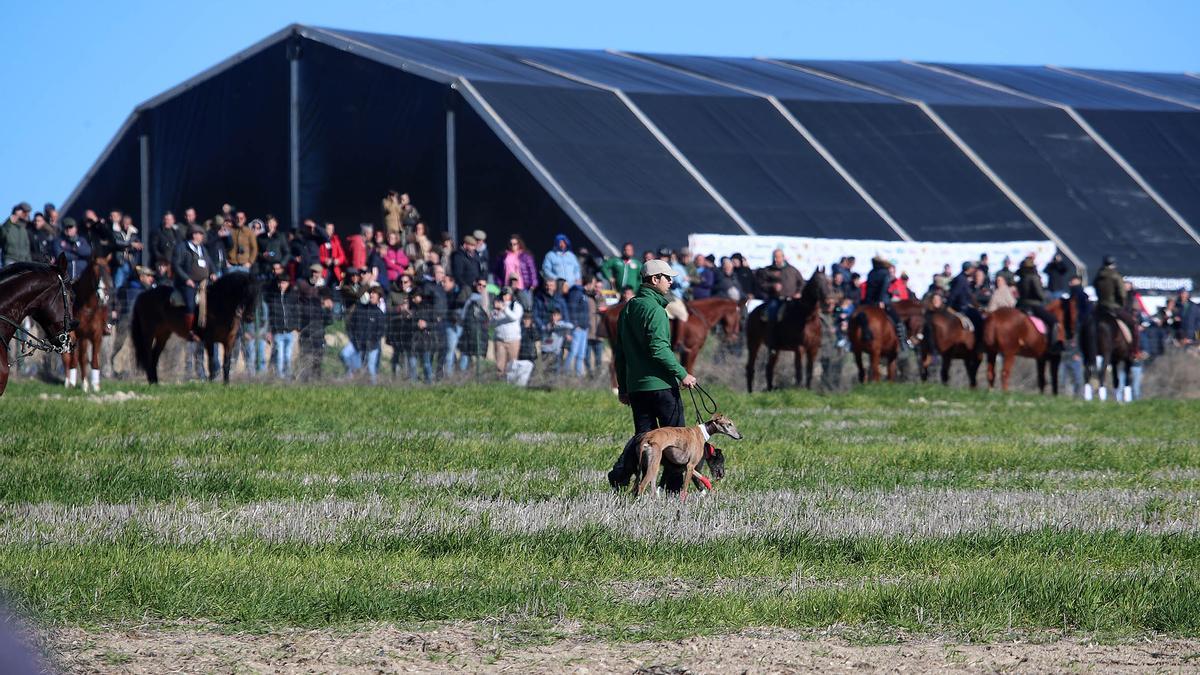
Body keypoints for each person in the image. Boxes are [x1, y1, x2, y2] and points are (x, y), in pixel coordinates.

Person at [608, 259, 699, 490]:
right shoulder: (656, 311)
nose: (670, 282)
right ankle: (673, 489)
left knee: (644, 439)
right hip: (661, 387)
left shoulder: (628, 307)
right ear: (654, 279)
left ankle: (623, 476)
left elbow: (620, 353)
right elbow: (659, 349)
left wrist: (624, 387)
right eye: (667, 277)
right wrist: (682, 374)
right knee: (676, 441)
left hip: (637, 388)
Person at [171, 225, 217, 340]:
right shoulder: (182, 247)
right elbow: (176, 265)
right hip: (187, 283)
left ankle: (204, 326)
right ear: (193, 234)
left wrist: (213, 273)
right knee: (190, 305)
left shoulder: (202, 248)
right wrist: (187, 279)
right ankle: (189, 330)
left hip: (203, 283)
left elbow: (209, 263)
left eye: (202, 234)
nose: (201, 236)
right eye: (199, 234)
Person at [1092, 254, 1139, 354]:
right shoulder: (1116, 276)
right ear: (1113, 264)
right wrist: (1121, 304)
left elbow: (1095, 289)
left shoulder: (1098, 276)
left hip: (1100, 307)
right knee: (1133, 325)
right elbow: (1122, 294)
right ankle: (1134, 351)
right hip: (1114, 308)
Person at [859, 254, 908, 349]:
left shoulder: (871, 272)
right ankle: (902, 343)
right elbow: (883, 288)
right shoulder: (885, 273)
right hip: (882, 301)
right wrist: (881, 301)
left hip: (868, 302)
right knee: (897, 321)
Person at [1015, 255, 1061, 353]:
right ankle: (1052, 346)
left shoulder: (1020, 279)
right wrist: (1045, 299)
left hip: (1021, 305)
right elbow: (1040, 294)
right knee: (1053, 321)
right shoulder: (1034, 278)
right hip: (1034, 305)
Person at [342, 284, 386, 383]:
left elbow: (381, 331)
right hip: (357, 343)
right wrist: (353, 338)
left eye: (374, 293)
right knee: (344, 354)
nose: (371, 295)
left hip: (372, 345)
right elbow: (350, 325)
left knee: (371, 368)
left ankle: (373, 388)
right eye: (370, 293)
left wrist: (372, 341)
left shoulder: (379, 314)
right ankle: (351, 374)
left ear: (379, 297)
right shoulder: (360, 309)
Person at [296, 263, 332, 380]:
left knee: (318, 354)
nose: (315, 274)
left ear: (321, 274)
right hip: (305, 325)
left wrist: (327, 308)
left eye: (317, 272)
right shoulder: (303, 285)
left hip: (319, 327)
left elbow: (328, 310)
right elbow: (301, 299)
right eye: (313, 272)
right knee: (305, 353)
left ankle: (317, 378)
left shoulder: (324, 289)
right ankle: (304, 378)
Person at [266, 273, 300, 379]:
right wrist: (269, 330)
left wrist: (296, 327)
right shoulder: (273, 298)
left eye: (284, 283)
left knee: (288, 355)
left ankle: (288, 375)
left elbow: (296, 312)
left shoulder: (292, 296)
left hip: (289, 331)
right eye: (280, 283)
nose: (282, 285)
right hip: (278, 332)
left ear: (288, 284)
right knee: (279, 356)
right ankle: (280, 376)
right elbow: (269, 316)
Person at [564, 275, 595, 376]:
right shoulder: (576, 292)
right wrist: (575, 325)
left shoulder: (584, 294)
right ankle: (566, 374)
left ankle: (579, 376)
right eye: (593, 284)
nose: (594, 286)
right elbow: (571, 309)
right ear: (589, 284)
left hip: (584, 328)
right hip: (577, 328)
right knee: (573, 352)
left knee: (581, 354)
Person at [491, 286, 524, 378]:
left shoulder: (516, 306)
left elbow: (514, 317)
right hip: (500, 340)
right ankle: (499, 384)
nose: (505, 296)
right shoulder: (497, 306)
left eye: (507, 294)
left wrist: (504, 309)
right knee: (499, 366)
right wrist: (495, 313)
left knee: (512, 365)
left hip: (513, 340)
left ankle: (512, 384)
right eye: (503, 294)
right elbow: (492, 322)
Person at [948, 261, 983, 332]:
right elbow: (954, 294)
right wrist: (948, 306)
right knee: (978, 318)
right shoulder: (961, 279)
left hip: (963, 305)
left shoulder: (962, 278)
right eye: (972, 268)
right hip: (962, 308)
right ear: (969, 269)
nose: (973, 270)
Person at [508, 313, 538, 386]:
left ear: (531, 321)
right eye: (525, 319)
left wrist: (532, 327)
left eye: (528, 320)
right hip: (519, 357)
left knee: (525, 379)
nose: (526, 321)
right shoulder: (519, 329)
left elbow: (536, 337)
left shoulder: (533, 330)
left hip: (529, 357)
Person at [257, 215, 289, 280]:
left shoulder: (281, 236)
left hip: (278, 267)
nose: (269, 225)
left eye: (271, 222)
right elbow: (256, 252)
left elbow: (287, 252)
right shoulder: (260, 237)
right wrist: (262, 255)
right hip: (264, 268)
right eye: (267, 222)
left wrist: (281, 265)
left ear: (276, 224)